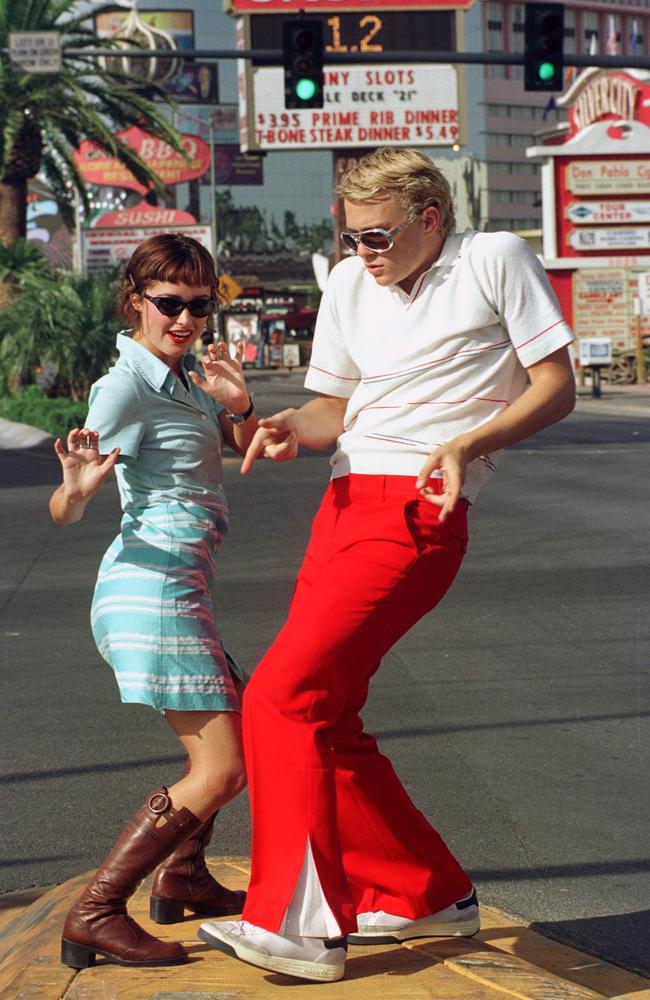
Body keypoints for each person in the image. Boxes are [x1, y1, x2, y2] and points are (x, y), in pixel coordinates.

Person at [197, 147, 577, 983]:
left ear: (431, 219)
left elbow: (557, 385)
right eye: (353, 237)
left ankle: (297, 928)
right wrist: (290, 422)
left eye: (379, 237)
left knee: (282, 697)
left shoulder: (494, 258)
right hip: (340, 506)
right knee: (324, 716)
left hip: (417, 508)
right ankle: (421, 893)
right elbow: (337, 406)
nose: (364, 253)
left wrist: (473, 441)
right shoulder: (345, 283)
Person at [49, 233, 258, 970]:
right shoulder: (125, 385)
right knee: (222, 768)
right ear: (136, 299)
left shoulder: (186, 377)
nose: (186, 318)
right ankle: (97, 911)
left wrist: (241, 407)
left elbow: (253, 448)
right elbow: (66, 505)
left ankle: (185, 877)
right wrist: (73, 492)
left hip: (177, 587)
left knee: (254, 724)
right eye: (169, 303)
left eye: (200, 305)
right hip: (152, 588)